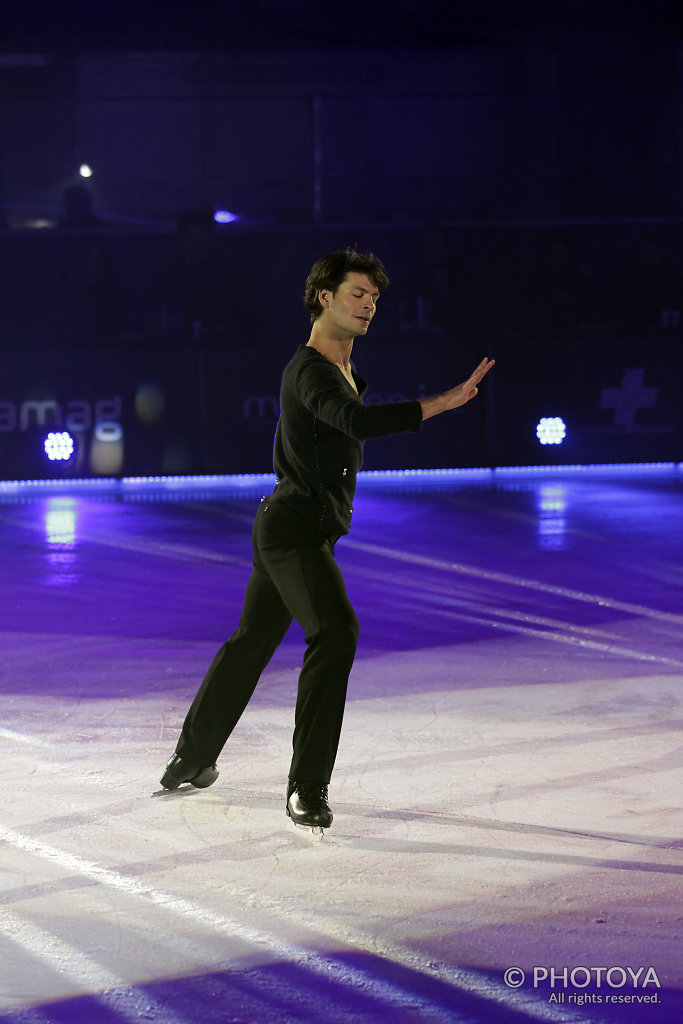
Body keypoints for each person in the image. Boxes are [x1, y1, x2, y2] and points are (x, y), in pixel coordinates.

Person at [160, 248, 494, 834]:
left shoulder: (343, 371)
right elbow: (356, 423)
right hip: (293, 531)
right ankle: (306, 788)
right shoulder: (312, 369)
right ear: (325, 298)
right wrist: (443, 402)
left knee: (252, 642)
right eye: (358, 294)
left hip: (294, 525)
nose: (369, 305)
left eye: (374, 298)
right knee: (336, 633)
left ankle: (192, 757)